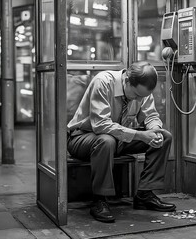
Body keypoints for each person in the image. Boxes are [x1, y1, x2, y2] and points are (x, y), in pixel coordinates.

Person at [67, 61, 175, 223]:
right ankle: (100, 200)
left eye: (143, 97)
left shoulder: (142, 90)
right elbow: (101, 125)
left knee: (165, 136)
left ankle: (144, 194)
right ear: (126, 81)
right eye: (137, 96)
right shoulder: (103, 81)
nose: (139, 99)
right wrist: (141, 135)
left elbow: (151, 115)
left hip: (118, 137)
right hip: (83, 137)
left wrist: (155, 131)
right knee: (106, 140)